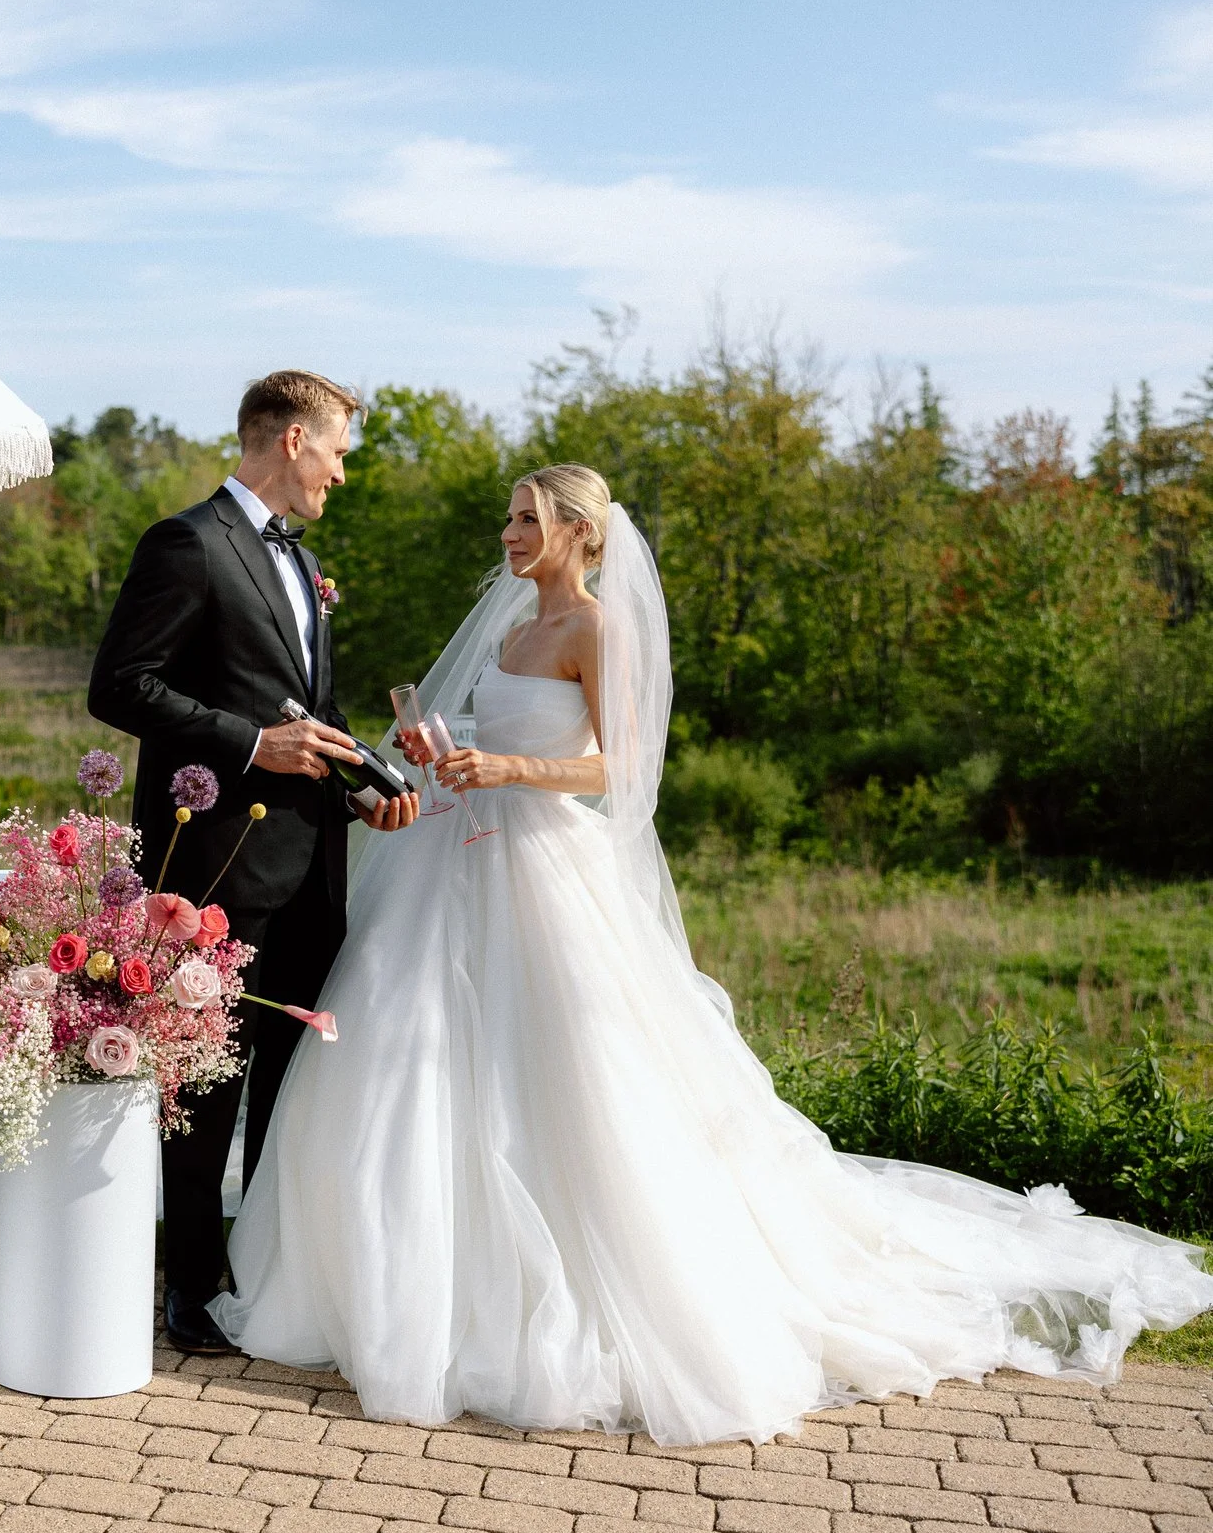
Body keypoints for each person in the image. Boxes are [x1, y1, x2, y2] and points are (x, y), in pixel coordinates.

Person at [208, 463, 1213, 1442]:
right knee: (410, 1060)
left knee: (575, 1075)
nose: (507, 536)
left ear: (574, 533)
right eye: (508, 519)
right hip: (458, 865)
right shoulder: (517, 627)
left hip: (548, 870)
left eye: (523, 519)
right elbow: (486, 739)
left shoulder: (595, 627)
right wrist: (441, 754)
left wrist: (509, 762)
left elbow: (618, 760)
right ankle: (390, 1273)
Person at [88, 369, 420, 1355]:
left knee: (291, 1083)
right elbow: (120, 684)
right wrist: (245, 745)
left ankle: (264, 1270)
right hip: (219, 869)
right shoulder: (187, 543)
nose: (341, 475)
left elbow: (309, 712)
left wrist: (361, 780)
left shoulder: (303, 563)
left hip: (314, 864)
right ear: (291, 441)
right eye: (338, 452)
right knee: (204, 1082)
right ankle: (187, 1287)